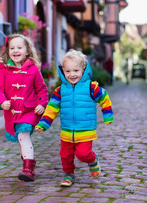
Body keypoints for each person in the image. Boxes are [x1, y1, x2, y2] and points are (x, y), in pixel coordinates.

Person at [35, 50, 114, 187]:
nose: (72, 74)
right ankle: (68, 174)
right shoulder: (60, 91)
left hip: (85, 130)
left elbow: (104, 98)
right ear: (63, 71)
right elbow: (52, 108)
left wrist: (107, 116)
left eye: (76, 70)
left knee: (83, 154)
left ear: (83, 69)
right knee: (65, 155)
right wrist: (43, 124)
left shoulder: (91, 87)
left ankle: (92, 160)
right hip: (66, 130)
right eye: (68, 71)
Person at [0, 33, 48, 182]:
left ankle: (28, 169)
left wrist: (42, 104)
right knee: (19, 139)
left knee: (23, 135)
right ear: (8, 51)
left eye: (19, 47)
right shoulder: (4, 70)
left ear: (27, 51)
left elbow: (42, 89)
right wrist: (2, 102)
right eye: (12, 48)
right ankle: (28, 161)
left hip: (29, 110)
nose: (15, 51)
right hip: (12, 113)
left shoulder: (33, 70)